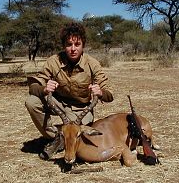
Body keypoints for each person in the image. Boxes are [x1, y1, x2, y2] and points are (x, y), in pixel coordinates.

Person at [25, 22, 113, 159]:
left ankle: (62, 140)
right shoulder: (53, 61)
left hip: (80, 110)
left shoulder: (93, 64)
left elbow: (110, 95)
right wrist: (44, 89)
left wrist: (100, 92)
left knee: (77, 133)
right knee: (32, 102)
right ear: (63, 46)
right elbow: (33, 87)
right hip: (58, 104)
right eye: (68, 45)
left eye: (77, 45)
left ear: (83, 45)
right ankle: (57, 137)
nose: (73, 49)